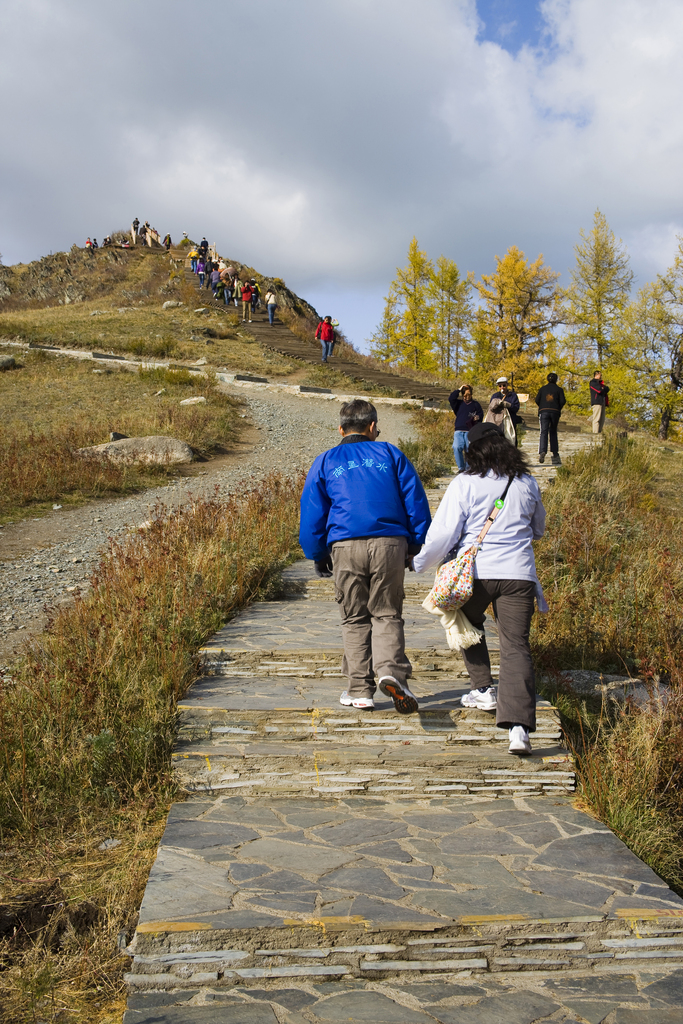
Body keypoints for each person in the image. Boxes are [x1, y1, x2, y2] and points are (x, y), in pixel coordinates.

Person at [413, 422, 546, 755]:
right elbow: (539, 528)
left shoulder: (465, 483)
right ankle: (518, 729)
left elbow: (444, 533)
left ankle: (483, 688)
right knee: (516, 645)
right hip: (518, 575)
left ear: (472, 450)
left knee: (465, 621)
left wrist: (420, 563)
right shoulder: (526, 481)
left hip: (475, 572)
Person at [300, 399, 431, 713]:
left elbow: (313, 513)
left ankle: (360, 690)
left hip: (345, 545)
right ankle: (390, 672)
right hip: (389, 543)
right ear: (373, 426)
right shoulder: (391, 454)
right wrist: (415, 545)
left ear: (341, 429)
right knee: (387, 613)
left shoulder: (325, 461)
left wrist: (317, 553)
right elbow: (415, 502)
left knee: (354, 617)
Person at [448, 383, 483, 472]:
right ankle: (461, 468)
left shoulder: (476, 404)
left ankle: (468, 468)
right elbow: (451, 398)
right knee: (456, 447)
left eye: (469, 394)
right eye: (465, 395)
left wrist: (477, 417)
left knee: (469, 449)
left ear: (471, 394)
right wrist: (459, 389)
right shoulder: (458, 404)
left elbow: (481, 414)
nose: (467, 397)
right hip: (459, 430)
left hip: (470, 431)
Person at [534, 372, 566, 465]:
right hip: (555, 412)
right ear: (556, 379)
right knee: (553, 431)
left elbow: (537, 400)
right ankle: (555, 452)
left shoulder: (543, 389)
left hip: (544, 411)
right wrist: (558, 408)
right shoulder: (559, 390)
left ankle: (542, 451)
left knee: (543, 431)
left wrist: (542, 406)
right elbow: (563, 401)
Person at [490, 377, 522, 445]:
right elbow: (491, 408)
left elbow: (516, 408)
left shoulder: (513, 395)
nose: (502, 387)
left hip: (510, 421)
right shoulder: (495, 396)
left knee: (510, 440)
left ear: (507, 385)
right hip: (497, 422)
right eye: (500, 386)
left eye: (504, 385)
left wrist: (509, 406)